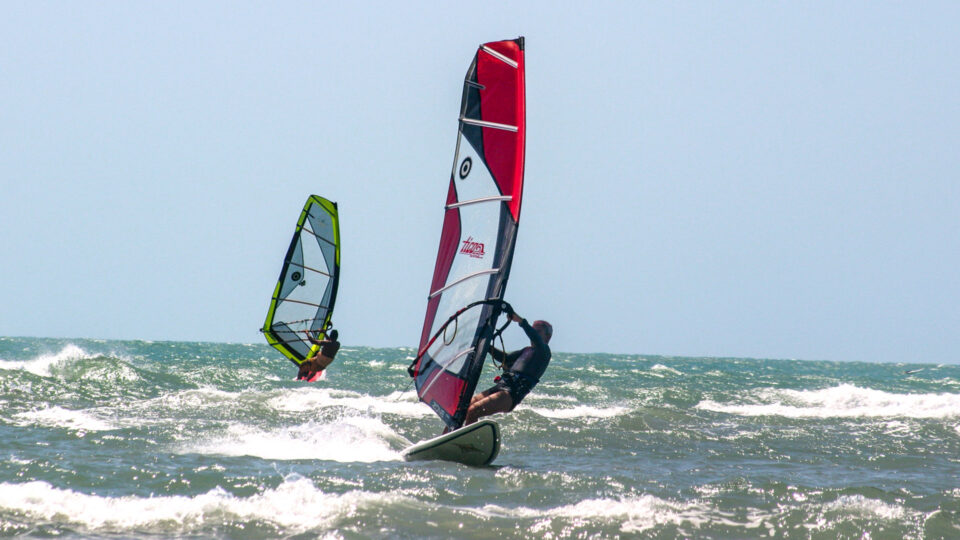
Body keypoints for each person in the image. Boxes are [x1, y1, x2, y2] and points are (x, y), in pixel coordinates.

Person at [463, 310, 552, 426]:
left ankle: (470, 443)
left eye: (538, 331)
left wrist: (521, 321)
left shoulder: (544, 352)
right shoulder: (526, 350)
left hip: (511, 393)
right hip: (501, 386)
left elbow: (535, 338)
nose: (534, 333)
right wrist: (486, 346)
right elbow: (505, 358)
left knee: (474, 410)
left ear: (547, 337)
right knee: (463, 408)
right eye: (534, 330)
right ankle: (448, 436)